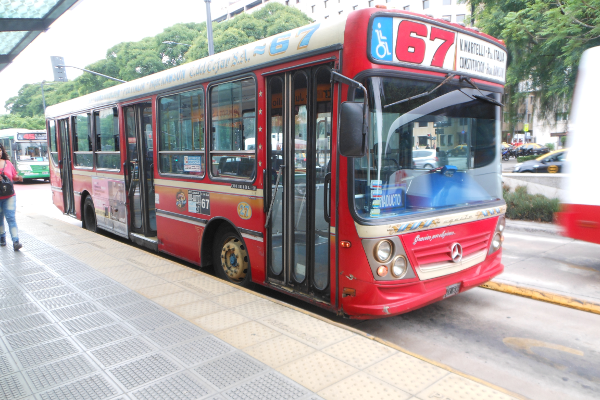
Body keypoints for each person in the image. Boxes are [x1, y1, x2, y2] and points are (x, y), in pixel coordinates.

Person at [0, 143, 23, 251]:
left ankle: (15, 241)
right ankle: (2, 237)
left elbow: (13, 176)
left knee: (11, 218)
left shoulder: (8, 163)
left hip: (9, 195)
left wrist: (18, 178)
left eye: (0, 150)